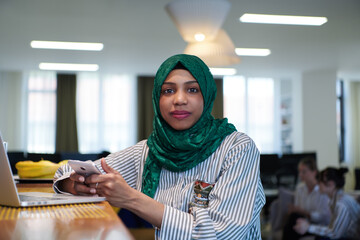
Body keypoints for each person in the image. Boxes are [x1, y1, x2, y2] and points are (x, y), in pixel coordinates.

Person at [53, 54, 265, 239]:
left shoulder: (237, 148)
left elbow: (221, 234)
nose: (179, 99)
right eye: (168, 91)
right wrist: (75, 185)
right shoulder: (148, 151)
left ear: (207, 96)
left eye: (192, 89)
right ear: (157, 98)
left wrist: (131, 199)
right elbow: (66, 171)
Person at [294, 167, 360, 240]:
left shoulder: (342, 203)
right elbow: (332, 228)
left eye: (319, 181)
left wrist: (308, 227)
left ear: (331, 184)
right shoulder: (333, 200)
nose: (317, 184)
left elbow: (335, 233)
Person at [281, 157, 331, 240]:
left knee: (293, 222)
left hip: (317, 224)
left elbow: (323, 217)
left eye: (304, 172)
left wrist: (304, 212)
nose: (300, 175)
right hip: (302, 220)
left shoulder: (322, 190)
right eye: (299, 172)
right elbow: (298, 211)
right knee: (293, 217)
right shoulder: (300, 188)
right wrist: (295, 210)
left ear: (314, 172)